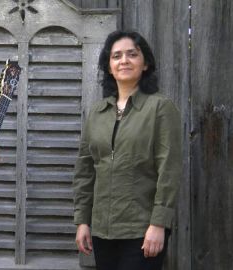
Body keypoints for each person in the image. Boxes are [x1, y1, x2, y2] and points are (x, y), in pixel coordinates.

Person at [73, 30, 182, 270]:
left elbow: (169, 170)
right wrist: (83, 221)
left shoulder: (160, 109)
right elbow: (85, 171)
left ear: (145, 64)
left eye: (132, 54)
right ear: (109, 66)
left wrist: (159, 224)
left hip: (142, 230)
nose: (124, 60)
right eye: (116, 56)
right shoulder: (97, 113)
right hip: (102, 231)